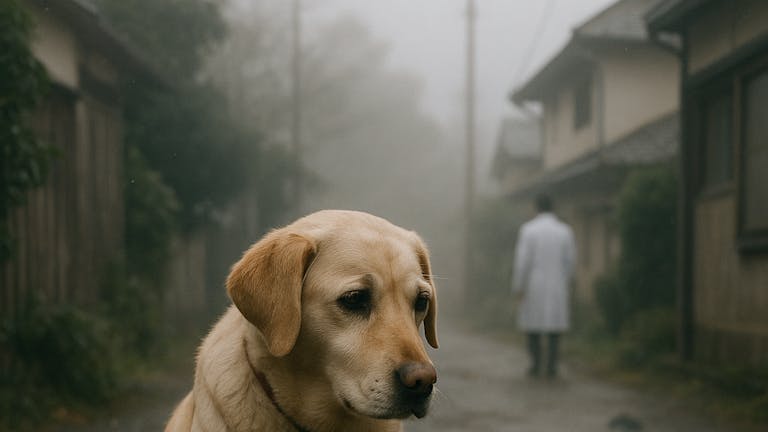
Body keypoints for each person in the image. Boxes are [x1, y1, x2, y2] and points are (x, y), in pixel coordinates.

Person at [512, 193, 576, 378]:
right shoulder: (565, 231)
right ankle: (552, 366)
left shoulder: (528, 230)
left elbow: (522, 262)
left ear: (536, 207)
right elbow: (570, 261)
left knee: (533, 326)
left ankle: (535, 364)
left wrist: (518, 286)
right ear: (553, 207)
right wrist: (567, 281)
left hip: (534, 284)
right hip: (558, 284)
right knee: (555, 327)